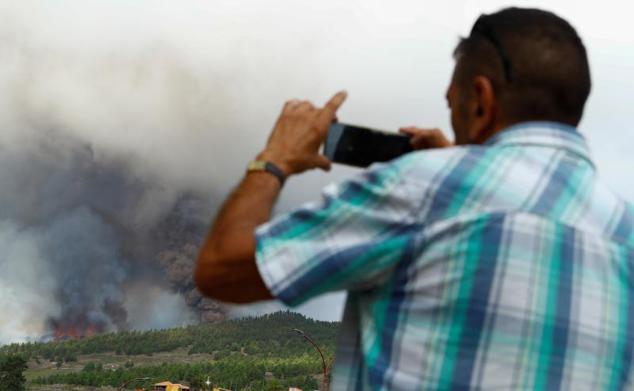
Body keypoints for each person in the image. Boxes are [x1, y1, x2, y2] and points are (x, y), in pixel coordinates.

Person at [195, 7, 634, 390]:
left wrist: (275, 159)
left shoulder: (423, 187)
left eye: (454, 105)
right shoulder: (624, 231)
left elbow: (221, 269)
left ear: (480, 101)